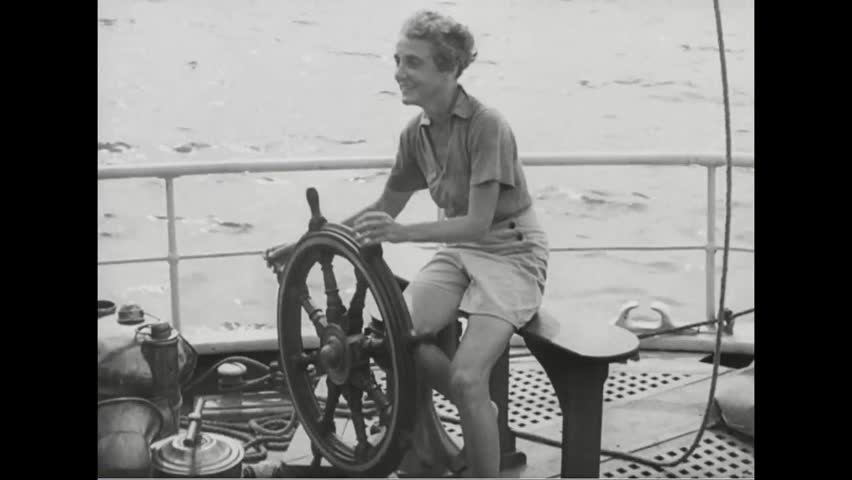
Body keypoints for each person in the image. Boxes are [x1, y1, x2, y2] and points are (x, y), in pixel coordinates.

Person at [337, 10, 550, 477]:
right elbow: (385, 209)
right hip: (460, 251)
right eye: (397, 59)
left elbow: (476, 223)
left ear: (449, 70)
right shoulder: (415, 134)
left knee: (467, 374)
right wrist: (317, 240)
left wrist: (405, 235)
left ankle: (478, 435)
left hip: (512, 253)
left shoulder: (486, 125)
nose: (398, 72)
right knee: (391, 337)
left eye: (412, 62)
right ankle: (453, 431)